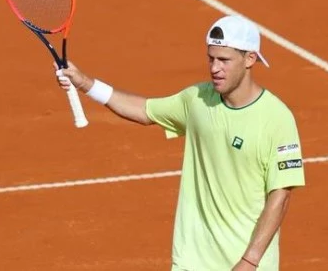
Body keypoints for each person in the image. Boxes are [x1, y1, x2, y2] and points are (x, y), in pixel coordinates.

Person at [56, 15, 306, 270]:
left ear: (250, 58)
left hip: (248, 264)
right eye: (211, 58)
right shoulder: (197, 100)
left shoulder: (277, 118)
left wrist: (250, 260)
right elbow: (144, 111)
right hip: (193, 260)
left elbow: (280, 196)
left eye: (224, 60)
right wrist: (85, 83)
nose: (215, 68)